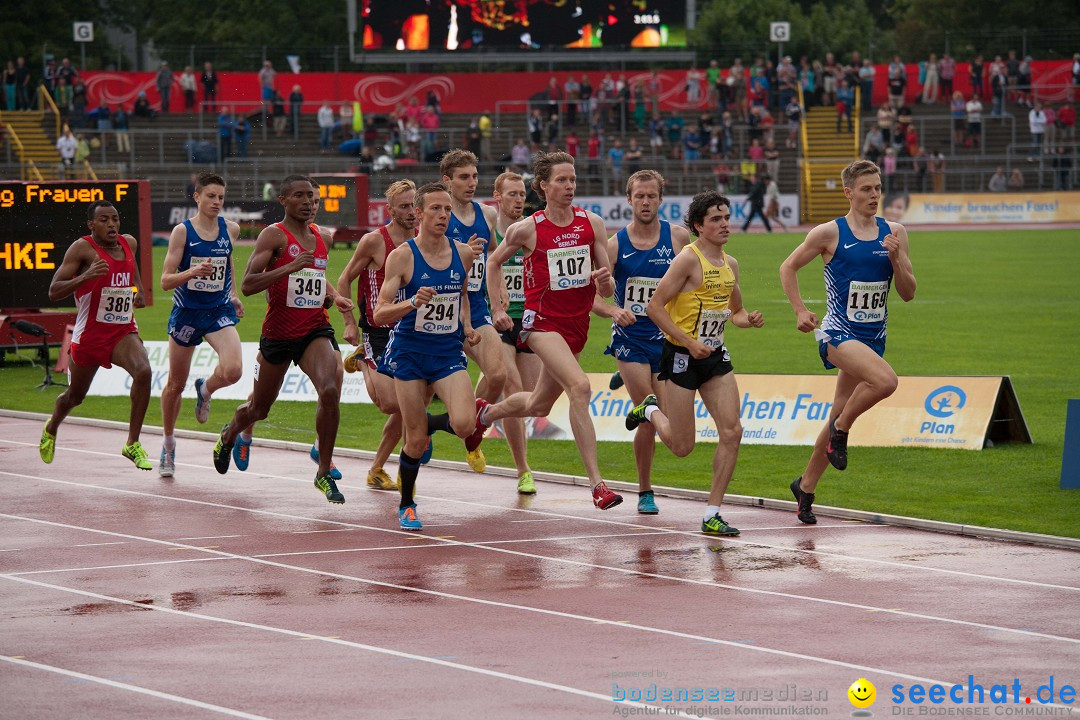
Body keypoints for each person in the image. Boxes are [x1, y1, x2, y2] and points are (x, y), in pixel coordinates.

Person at [478, 151, 624, 511]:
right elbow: (493, 263)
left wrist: (604, 281)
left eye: (572, 179)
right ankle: (598, 485)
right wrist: (497, 306)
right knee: (580, 387)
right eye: (561, 180)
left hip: (577, 324)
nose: (569, 186)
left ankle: (484, 414)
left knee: (538, 402)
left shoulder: (593, 224)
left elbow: (606, 289)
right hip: (541, 323)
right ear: (543, 186)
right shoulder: (528, 227)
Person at [778, 160, 916, 524]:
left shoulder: (895, 232)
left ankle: (805, 487)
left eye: (878, 188)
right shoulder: (829, 233)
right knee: (886, 381)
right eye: (867, 189)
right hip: (837, 334)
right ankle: (840, 433)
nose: (874, 195)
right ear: (849, 193)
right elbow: (787, 267)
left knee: (840, 406)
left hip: (874, 339)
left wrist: (896, 259)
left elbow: (908, 293)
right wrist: (799, 310)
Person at [623, 190, 764, 536]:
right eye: (716, 219)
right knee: (683, 447)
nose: (724, 224)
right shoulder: (687, 259)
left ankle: (712, 512)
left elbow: (736, 312)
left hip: (715, 358)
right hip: (682, 358)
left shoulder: (730, 265)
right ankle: (651, 410)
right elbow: (654, 307)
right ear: (699, 226)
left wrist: (749, 319)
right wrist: (688, 342)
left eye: (727, 217)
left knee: (733, 431)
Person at [211, 175, 354, 504]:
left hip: (314, 330)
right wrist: (288, 268)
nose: (309, 203)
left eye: (313, 198)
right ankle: (230, 434)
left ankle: (322, 471)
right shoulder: (273, 235)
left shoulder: (323, 237)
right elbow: (248, 284)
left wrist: (331, 296)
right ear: (284, 201)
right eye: (301, 196)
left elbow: (315, 278)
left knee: (330, 388)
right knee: (259, 410)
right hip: (278, 335)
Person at [373, 182, 482, 530]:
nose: (443, 215)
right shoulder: (402, 256)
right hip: (409, 354)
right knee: (416, 441)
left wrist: (466, 325)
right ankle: (406, 504)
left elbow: (462, 294)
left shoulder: (463, 253)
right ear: (418, 213)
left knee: (466, 424)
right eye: (435, 209)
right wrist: (411, 303)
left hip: (446, 351)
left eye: (447, 209)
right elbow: (379, 313)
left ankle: (427, 422)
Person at [594, 170, 691, 514]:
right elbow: (591, 298)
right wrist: (613, 311)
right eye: (639, 196)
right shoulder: (615, 245)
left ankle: (628, 381)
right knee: (650, 415)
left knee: (666, 421)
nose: (646, 202)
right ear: (629, 200)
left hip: (665, 341)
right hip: (630, 340)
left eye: (651, 196)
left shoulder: (678, 239)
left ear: (660, 200)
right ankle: (645, 491)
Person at [40, 201, 152, 470]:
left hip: (122, 331)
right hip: (89, 336)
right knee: (75, 397)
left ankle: (132, 443)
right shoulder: (82, 249)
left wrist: (137, 292)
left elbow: (132, 273)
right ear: (92, 225)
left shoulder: (129, 243)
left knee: (144, 371)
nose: (111, 224)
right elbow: (54, 291)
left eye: (115, 219)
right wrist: (85, 276)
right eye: (104, 220)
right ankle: (52, 426)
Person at [157, 172, 245, 477]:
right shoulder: (182, 232)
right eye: (211, 196)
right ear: (197, 197)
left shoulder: (230, 229)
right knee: (175, 385)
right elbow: (166, 281)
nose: (217, 202)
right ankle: (168, 446)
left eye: (221, 197)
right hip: (186, 313)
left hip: (218, 311)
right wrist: (193, 272)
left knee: (233, 370)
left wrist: (232, 294)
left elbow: (228, 259)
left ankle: (205, 390)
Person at [338, 180, 419, 490]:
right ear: (390, 210)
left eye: (414, 205)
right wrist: (348, 322)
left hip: (411, 331)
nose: (411, 212)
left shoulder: (423, 240)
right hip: (378, 330)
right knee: (389, 404)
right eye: (404, 206)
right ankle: (361, 359)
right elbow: (344, 280)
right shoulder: (375, 241)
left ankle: (376, 469)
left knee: (408, 407)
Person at [441, 149, 507, 472]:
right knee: (423, 394)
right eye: (464, 177)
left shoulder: (487, 215)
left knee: (497, 374)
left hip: (476, 308)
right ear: (447, 181)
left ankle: (470, 430)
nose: (471, 183)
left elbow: (495, 256)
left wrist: (501, 288)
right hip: (440, 310)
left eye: (474, 176)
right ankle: (427, 432)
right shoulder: (438, 216)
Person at [488, 171, 542, 494]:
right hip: (498, 321)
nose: (519, 199)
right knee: (513, 387)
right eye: (512, 194)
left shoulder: (533, 230)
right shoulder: (490, 231)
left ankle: (480, 409)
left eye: (522, 194)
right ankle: (523, 470)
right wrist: (494, 306)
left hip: (532, 321)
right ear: (498, 196)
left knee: (530, 400)